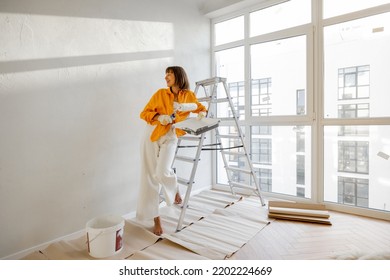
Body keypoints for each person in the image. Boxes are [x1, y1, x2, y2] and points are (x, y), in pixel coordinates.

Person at [136, 66, 207, 236]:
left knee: (162, 172)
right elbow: (144, 113)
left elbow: (200, 108)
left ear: (179, 75)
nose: (166, 76)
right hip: (152, 134)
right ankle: (156, 219)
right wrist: (159, 117)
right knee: (150, 176)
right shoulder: (160, 93)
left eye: (169, 73)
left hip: (172, 135)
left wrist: (201, 114)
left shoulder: (188, 96)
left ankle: (173, 186)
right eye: (165, 74)